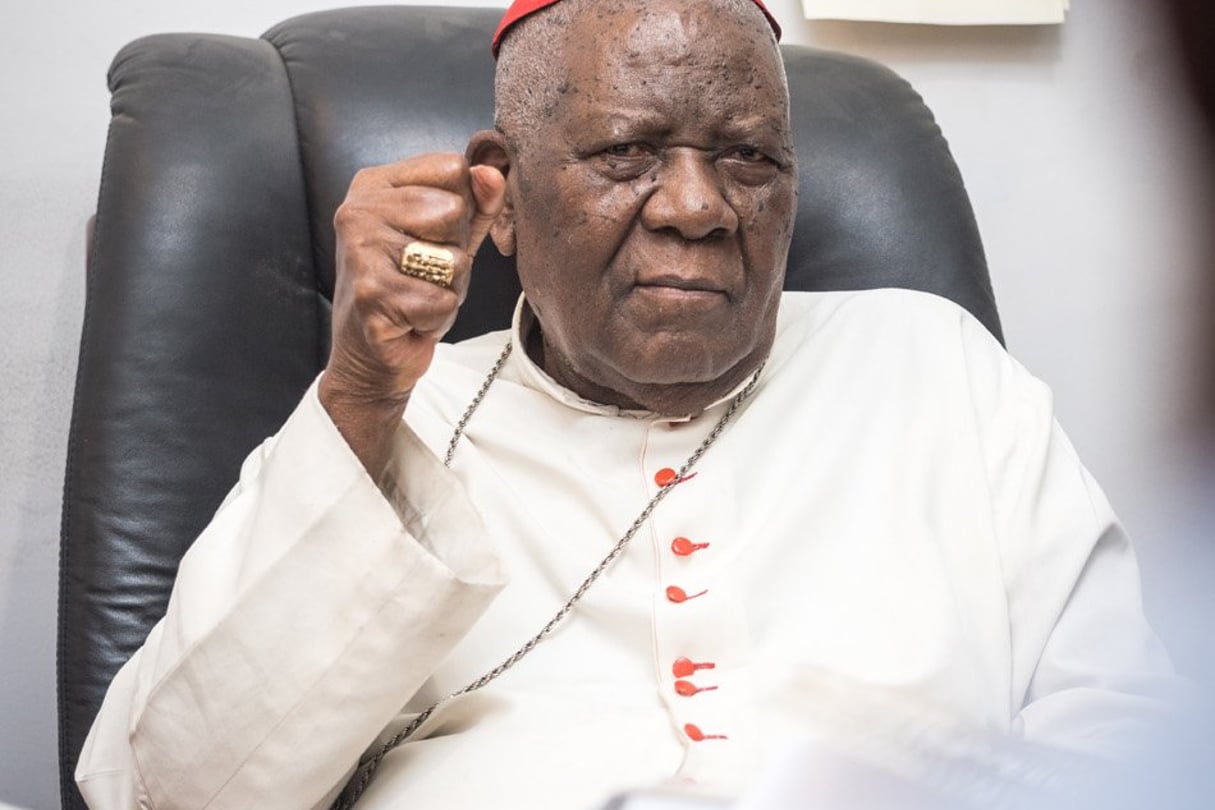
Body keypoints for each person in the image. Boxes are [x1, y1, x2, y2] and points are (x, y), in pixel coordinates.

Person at [74, 1, 1176, 808]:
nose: (698, 207)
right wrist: (360, 397)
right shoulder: (387, 417)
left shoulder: (939, 371)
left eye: (747, 157)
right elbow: (163, 792)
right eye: (627, 153)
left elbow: (1126, 739)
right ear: (498, 195)